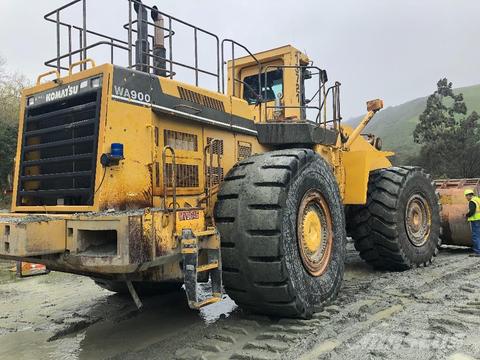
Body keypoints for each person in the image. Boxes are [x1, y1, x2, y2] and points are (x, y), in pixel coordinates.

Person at [465, 189, 480, 257]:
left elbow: (472, 211)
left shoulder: (472, 201)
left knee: (475, 236)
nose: (466, 198)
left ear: (469, 195)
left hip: (475, 220)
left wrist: (466, 215)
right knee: (478, 235)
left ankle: (477, 251)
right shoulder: (478, 199)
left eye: (466, 196)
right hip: (479, 219)